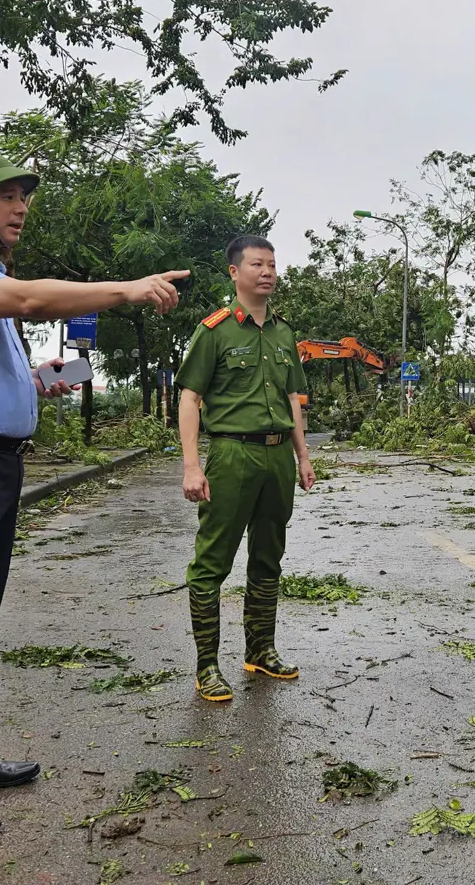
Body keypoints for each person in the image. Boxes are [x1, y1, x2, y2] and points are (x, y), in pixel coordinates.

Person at [0, 150, 189, 845]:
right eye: (7, 194)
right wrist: (126, 290)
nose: (22, 205)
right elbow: (28, 301)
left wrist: (34, 377)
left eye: (25, 194)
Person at [175, 236, 317, 703]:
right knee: (212, 561)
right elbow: (190, 398)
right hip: (232, 454)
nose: (267, 272)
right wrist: (192, 466)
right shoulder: (214, 330)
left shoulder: (284, 334)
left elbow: (294, 401)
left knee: (268, 555)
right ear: (235, 272)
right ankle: (207, 666)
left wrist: (302, 456)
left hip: (277, 456)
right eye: (257, 264)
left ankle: (260, 650)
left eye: (273, 264)